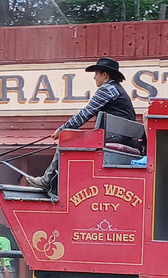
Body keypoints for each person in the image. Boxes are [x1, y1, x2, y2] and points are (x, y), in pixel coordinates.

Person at [27, 57, 137, 194]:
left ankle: (48, 180)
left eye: (96, 74)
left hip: (115, 136)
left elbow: (85, 114)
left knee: (68, 139)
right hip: (125, 137)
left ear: (105, 75)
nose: (94, 78)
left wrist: (63, 130)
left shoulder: (107, 89)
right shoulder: (118, 90)